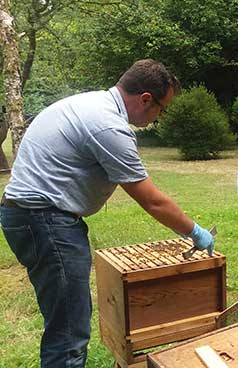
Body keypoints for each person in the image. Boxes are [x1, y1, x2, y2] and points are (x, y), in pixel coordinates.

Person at [0, 59, 215, 367]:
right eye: (161, 109)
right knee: (69, 333)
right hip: (45, 220)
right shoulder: (108, 127)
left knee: (65, 321)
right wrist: (194, 230)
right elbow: (152, 201)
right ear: (145, 99)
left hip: (31, 216)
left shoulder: (89, 104)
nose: (160, 117)